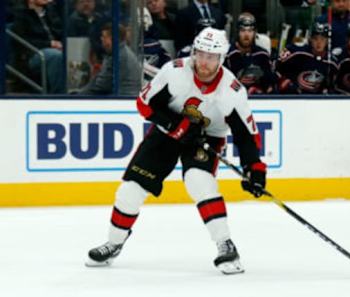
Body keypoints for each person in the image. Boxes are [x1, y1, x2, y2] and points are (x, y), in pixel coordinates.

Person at [85, 27, 267, 275]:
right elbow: (144, 104)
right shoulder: (174, 72)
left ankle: (225, 245)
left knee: (199, 181)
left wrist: (254, 168)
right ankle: (114, 243)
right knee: (129, 191)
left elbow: (246, 135)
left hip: (206, 137)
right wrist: (176, 125)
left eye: (211, 57)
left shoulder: (231, 91)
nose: (204, 62)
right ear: (193, 52)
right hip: (166, 132)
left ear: (221, 59)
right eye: (200, 54)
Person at [12, 0, 65, 93]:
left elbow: (61, 32)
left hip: (55, 50)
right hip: (32, 54)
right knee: (56, 56)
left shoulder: (51, 12)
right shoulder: (21, 15)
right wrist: (50, 44)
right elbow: (23, 42)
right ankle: (59, 96)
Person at [79, 23, 141, 95]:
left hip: (122, 100)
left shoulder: (120, 56)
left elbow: (102, 85)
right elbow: (99, 81)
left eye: (104, 37)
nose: (101, 39)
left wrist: (79, 95)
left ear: (114, 39)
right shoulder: (115, 53)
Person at [276, 21, 338, 94]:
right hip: (293, 98)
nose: (319, 43)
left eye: (322, 39)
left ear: (327, 41)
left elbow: (331, 86)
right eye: (315, 39)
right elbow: (276, 66)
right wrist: (284, 81)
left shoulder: (331, 62)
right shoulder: (296, 52)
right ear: (310, 39)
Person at [224, 13, 276, 94]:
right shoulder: (228, 55)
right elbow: (223, 85)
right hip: (234, 98)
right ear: (237, 32)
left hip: (259, 99)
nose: (246, 34)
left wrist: (259, 86)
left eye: (250, 31)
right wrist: (240, 87)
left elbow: (271, 84)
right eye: (243, 30)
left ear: (255, 33)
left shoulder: (262, 54)